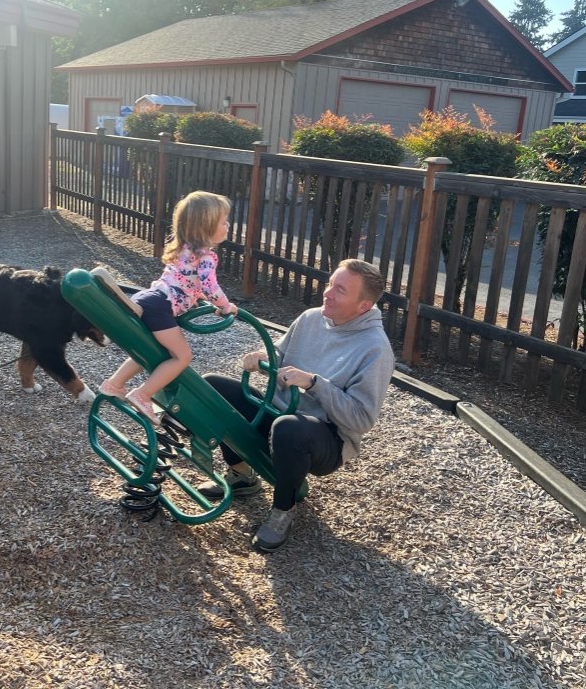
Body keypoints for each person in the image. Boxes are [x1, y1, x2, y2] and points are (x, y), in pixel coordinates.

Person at [198, 258, 395, 552]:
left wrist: (315, 383)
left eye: (340, 290)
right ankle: (241, 475)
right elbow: (279, 356)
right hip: (278, 412)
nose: (327, 293)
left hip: (324, 438)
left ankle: (283, 509)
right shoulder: (311, 318)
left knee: (288, 428)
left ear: (363, 306)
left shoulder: (375, 349)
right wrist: (261, 357)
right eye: (330, 284)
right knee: (212, 387)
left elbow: (361, 420)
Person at [99, 191, 238, 423]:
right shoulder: (206, 257)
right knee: (182, 357)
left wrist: (196, 298)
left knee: (150, 349)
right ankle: (143, 394)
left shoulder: (183, 248)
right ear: (205, 226)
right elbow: (210, 286)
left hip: (149, 298)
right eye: (223, 222)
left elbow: (186, 281)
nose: (228, 226)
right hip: (161, 306)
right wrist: (225, 306)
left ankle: (114, 384)